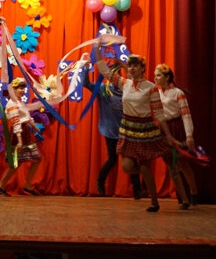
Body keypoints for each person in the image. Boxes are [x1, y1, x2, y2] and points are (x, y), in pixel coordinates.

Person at [94, 43, 189, 212]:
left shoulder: (151, 87)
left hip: (145, 130)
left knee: (145, 166)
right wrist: (97, 51)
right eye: (130, 65)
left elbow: (159, 113)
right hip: (128, 129)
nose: (131, 68)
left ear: (142, 68)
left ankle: (154, 202)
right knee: (126, 166)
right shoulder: (125, 83)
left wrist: (168, 135)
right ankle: (147, 182)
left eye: (135, 65)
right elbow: (105, 72)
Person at [82, 64, 143, 199]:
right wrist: (85, 68)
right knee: (112, 159)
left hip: (126, 131)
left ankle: (137, 190)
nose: (113, 79)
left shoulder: (127, 90)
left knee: (131, 158)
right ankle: (100, 182)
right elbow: (86, 83)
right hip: (110, 131)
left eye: (116, 76)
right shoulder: (103, 89)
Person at [154, 63, 199, 205]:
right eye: (155, 75)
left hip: (176, 128)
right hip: (163, 130)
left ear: (167, 77)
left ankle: (193, 191)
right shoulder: (156, 92)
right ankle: (184, 199)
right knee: (171, 165)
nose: (155, 78)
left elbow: (186, 115)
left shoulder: (178, 93)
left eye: (158, 75)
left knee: (183, 162)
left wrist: (189, 135)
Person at [0, 78, 43, 197]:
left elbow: (26, 117)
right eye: (20, 88)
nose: (22, 91)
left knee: (35, 158)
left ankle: (26, 185)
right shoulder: (12, 103)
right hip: (18, 133)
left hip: (25, 131)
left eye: (23, 88)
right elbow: (16, 121)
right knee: (16, 161)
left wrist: (34, 127)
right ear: (13, 90)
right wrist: (19, 140)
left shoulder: (19, 101)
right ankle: (1, 185)